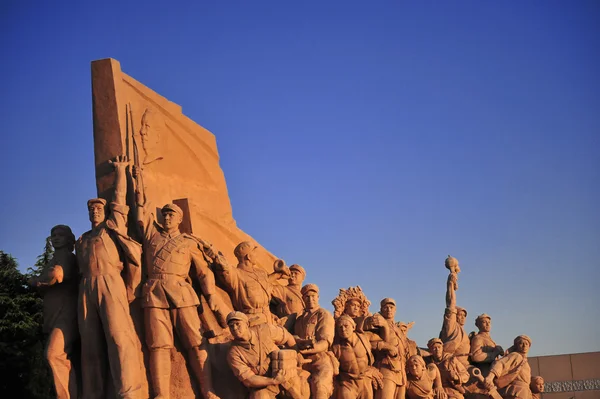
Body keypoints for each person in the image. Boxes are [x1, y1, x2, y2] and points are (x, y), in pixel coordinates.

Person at [134, 165, 221, 399]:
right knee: (158, 345)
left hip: (182, 292)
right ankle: (161, 393)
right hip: (154, 292)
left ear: (180, 219)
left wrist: (211, 294)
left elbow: (203, 272)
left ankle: (208, 389)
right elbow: (141, 211)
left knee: (196, 342)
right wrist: (137, 182)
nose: (168, 217)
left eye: (172, 214)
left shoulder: (188, 242)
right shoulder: (152, 235)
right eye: (165, 214)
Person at [76, 155, 143, 399]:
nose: (95, 211)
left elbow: (118, 200)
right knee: (90, 345)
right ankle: (93, 393)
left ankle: (130, 392)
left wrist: (121, 171)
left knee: (119, 338)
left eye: (98, 208)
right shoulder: (82, 239)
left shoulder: (112, 226)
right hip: (86, 287)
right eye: (91, 209)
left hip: (110, 281)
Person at [29, 225, 80, 399]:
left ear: (69, 239)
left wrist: (41, 280)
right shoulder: (53, 259)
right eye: (53, 235)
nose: (56, 238)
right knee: (63, 357)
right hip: (54, 315)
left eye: (60, 235)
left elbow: (56, 275)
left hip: (67, 315)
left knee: (53, 354)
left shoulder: (68, 258)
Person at [226, 311, 299, 399]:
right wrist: (273, 381)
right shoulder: (233, 352)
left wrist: (296, 356)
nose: (234, 328)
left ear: (246, 324)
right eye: (231, 326)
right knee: (259, 396)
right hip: (265, 384)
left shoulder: (265, 330)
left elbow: (287, 337)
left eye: (238, 324)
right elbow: (248, 379)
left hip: (286, 374)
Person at [213, 241, 275, 325]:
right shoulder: (236, 274)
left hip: (268, 317)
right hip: (252, 320)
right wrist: (215, 255)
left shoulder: (261, 273)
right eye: (254, 253)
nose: (256, 256)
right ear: (248, 257)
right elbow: (225, 269)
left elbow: (268, 282)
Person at [294, 284, 336, 399]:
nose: (310, 299)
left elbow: (325, 342)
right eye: (307, 297)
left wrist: (310, 348)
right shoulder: (299, 319)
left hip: (320, 359)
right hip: (301, 360)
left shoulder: (324, 314)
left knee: (320, 385)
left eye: (313, 296)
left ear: (318, 297)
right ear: (303, 299)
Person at [331, 315, 383, 399]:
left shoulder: (364, 338)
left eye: (346, 326)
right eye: (340, 327)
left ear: (353, 327)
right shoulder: (336, 347)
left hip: (365, 379)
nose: (343, 329)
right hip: (347, 383)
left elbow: (383, 340)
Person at [368, 298, 407, 399]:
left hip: (401, 371)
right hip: (386, 367)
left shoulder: (397, 328)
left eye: (391, 307)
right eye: (386, 307)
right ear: (381, 309)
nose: (389, 309)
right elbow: (367, 342)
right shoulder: (378, 323)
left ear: (395, 309)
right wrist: (386, 346)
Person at [439, 256, 470, 367]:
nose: (461, 318)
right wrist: (450, 285)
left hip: (465, 363)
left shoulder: (462, 331)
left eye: (464, 316)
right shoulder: (451, 325)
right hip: (454, 364)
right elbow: (451, 303)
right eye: (459, 315)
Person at [271, 263, 306, 330]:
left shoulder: (305, 294)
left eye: (296, 273)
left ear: (302, 277)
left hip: (301, 329)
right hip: (286, 327)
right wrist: (277, 275)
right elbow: (265, 287)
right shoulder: (282, 290)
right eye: (291, 273)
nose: (292, 275)